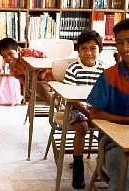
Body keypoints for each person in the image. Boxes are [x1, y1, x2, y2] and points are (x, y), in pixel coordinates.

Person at [87, 18, 129, 191]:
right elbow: (94, 113)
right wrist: (126, 120)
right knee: (124, 169)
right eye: (120, 43)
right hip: (114, 144)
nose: (125, 48)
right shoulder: (109, 76)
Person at [62, 29, 104, 189]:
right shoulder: (73, 70)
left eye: (93, 48)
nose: (88, 53)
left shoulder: (103, 69)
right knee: (82, 127)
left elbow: (104, 94)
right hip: (76, 107)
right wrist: (88, 112)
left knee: (107, 127)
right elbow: (70, 98)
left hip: (95, 108)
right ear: (78, 50)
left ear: (99, 49)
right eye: (84, 48)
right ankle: (78, 165)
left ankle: (103, 163)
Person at [0, 37, 55, 104]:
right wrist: (28, 86)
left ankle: (55, 103)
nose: (8, 58)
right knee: (37, 86)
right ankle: (53, 104)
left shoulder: (28, 53)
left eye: (10, 53)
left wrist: (43, 74)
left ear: (18, 50)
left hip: (47, 73)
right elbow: (21, 78)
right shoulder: (13, 67)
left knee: (44, 84)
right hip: (35, 80)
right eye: (4, 56)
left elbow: (44, 59)